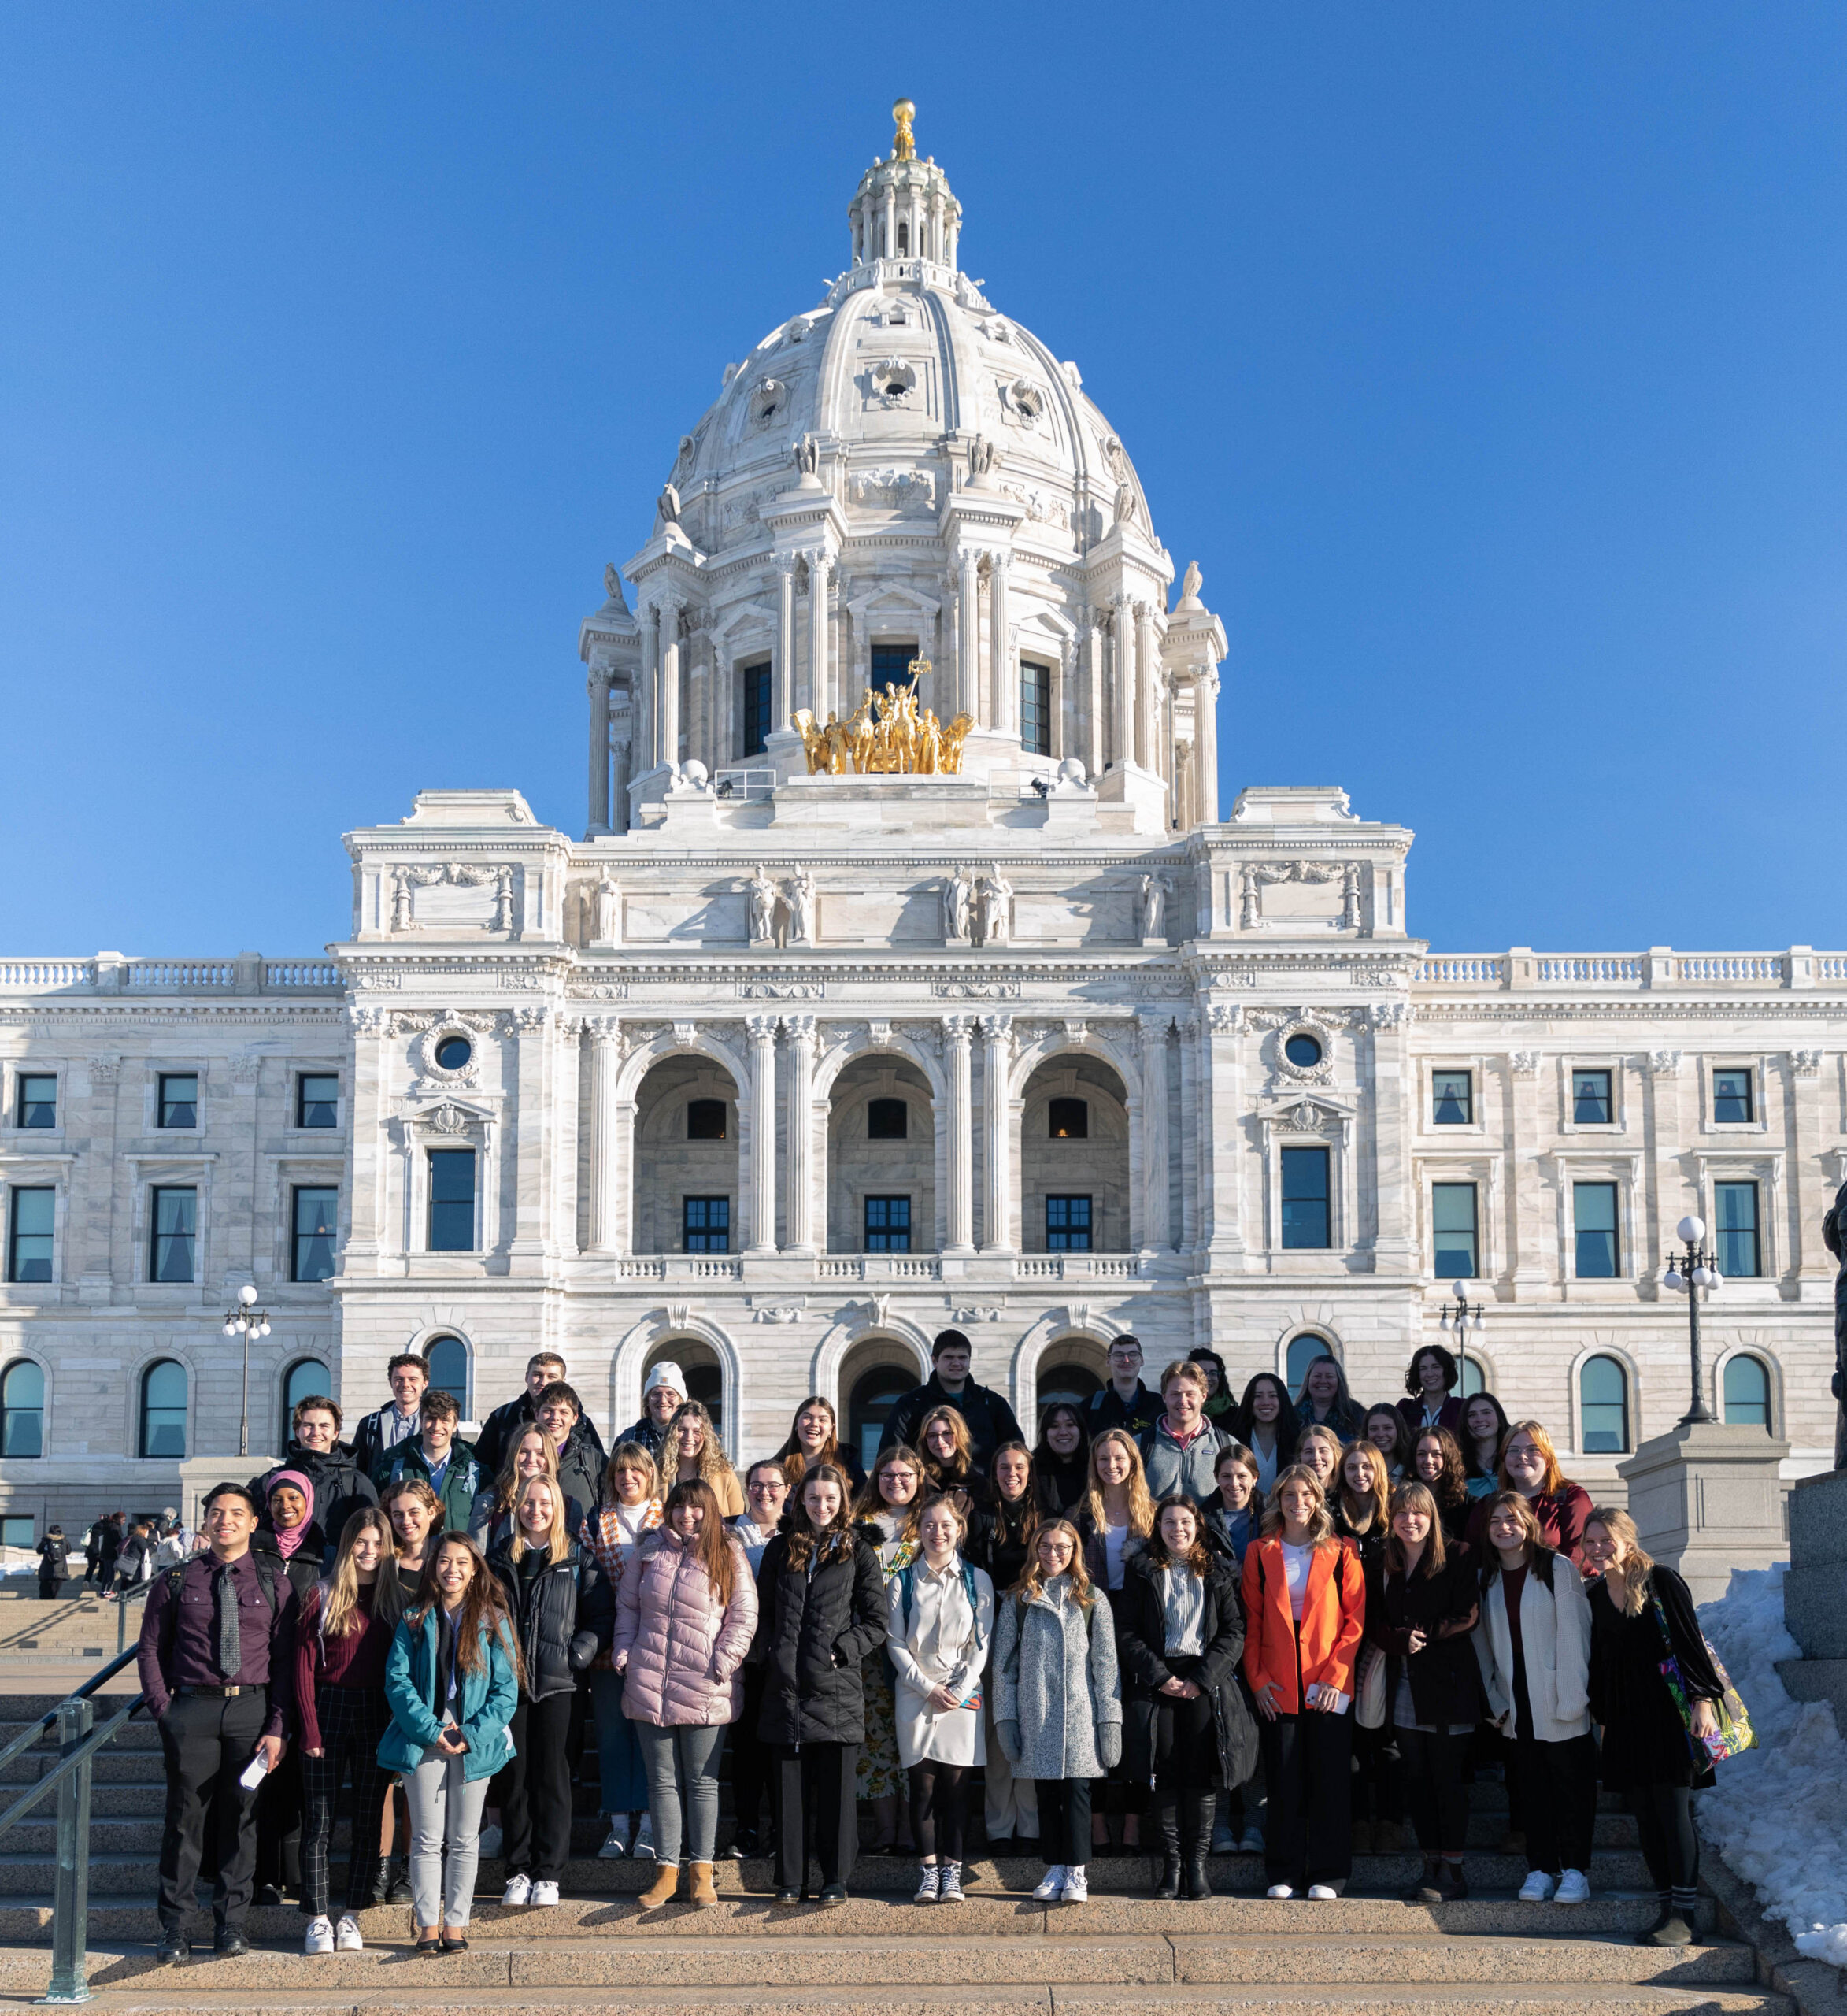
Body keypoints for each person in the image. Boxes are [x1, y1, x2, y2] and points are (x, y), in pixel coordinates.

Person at [138, 1481, 296, 1965]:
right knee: (185, 1823)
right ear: (205, 1522)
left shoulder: (274, 1582)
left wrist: (277, 1726)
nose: (224, 1520)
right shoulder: (176, 1581)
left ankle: (232, 1924)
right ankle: (177, 1928)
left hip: (250, 1710)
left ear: (253, 1523)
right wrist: (165, 1710)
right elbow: (150, 1650)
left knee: (242, 1821)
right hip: (192, 1711)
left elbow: (287, 1661)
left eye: (236, 1513)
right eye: (215, 1513)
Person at [1582, 1507, 1723, 1946]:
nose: (1597, 1548)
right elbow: (1599, 1665)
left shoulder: (1660, 1581)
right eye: (1589, 1541)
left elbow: (1688, 1642)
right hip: (1624, 1718)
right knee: (1644, 1814)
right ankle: (1667, 1907)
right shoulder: (1594, 1595)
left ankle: (1685, 1913)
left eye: (1605, 1539)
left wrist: (1702, 1702)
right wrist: (1603, 1721)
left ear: (1628, 1540)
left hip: (1670, 1713)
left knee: (1672, 1810)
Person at [615, 1477, 758, 1910]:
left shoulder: (727, 1551)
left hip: (704, 1684)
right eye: (679, 1506)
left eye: (696, 1507)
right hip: (650, 1680)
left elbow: (744, 1614)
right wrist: (625, 1648)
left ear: (710, 1511)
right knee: (662, 1783)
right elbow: (628, 1607)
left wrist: (722, 1661)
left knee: (701, 1782)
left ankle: (702, 1870)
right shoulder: (649, 1549)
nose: (687, 1514)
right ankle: (666, 1871)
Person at [751, 1462, 888, 1905]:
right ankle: (790, 1880)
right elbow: (765, 1612)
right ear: (800, 1500)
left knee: (835, 1795)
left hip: (834, 1688)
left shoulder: (859, 1551)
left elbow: (876, 1621)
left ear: (842, 1501)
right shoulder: (779, 1549)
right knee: (789, 1796)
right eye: (813, 1497)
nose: (821, 1505)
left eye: (830, 1498)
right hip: (786, 1688)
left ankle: (834, 1878)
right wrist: (771, 1651)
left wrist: (841, 1650)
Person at [379, 1530, 520, 1955]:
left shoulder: (494, 1618)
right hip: (425, 1733)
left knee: (464, 1837)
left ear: (475, 1569)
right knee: (425, 1836)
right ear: (432, 1567)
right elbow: (397, 1680)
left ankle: (456, 1923)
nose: (452, 1569)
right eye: (444, 1561)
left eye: (462, 1562)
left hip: (475, 1733)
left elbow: (506, 1690)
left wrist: (470, 1734)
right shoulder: (414, 1617)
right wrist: (429, 1729)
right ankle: (427, 1924)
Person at [1119, 1495, 1257, 1899]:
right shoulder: (1142, 1570)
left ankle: (1197, 1868)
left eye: (1184, 1522)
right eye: (1168, 1523)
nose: (1177, 1530)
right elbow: (1126, 1630)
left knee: (1198, 1772)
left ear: (1197, 1526)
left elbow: (1234, 1630)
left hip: (1203, 1681)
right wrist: (1160, 1675)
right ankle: (1171, 1868)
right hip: (1159, 1681)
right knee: (1164, 1770)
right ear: (1157, 1528)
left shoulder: (1215, 1571)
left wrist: (1202, 1678)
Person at [488, 1474, 612, 1910]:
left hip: (560, 1686)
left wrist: (575, 1657)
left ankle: (549, 1873)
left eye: (544, 1502)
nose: (535, 1509)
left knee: (553, 1778)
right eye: (528, 1502)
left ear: (557, 1508)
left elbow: (600, 1617)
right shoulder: (500, 1557)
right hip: (511, 1687)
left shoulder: (577, 1558)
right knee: (515, 1779)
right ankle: (518, 1870)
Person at [1242, 1465, 1364, 1901]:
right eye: (1290, 1495)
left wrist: (1336, 1676)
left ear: (1318, 1500)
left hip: (1328, 1680)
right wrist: (1257, 1680)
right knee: (1284, 1780)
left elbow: (1355, 1622)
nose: (1299, 1503)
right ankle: (1284, 1870)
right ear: (1278, 1500)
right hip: (1278, 1683)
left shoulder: (1341, 1550)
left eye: (1307, 1495)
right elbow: (1251, 1621)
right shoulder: (1259, 1551)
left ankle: (1329, 1873)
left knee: (1329, 1780)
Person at [1471, 1489, 1597, 1906]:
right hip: (1514, 1701)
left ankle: (1576, 1870)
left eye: (1512, 1519)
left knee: (1570, 1790)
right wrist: (1495, 1700)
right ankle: (1540, 1868)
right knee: (1530, 1790)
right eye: (1495, 1521)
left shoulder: (1556, 1568)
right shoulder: (1486, 1577)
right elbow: (1483, 1645)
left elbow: (1576, 1633)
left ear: (1529, 1524)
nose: (1504, 1528)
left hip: (1561, 1696)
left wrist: (1573, 1698)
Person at [992, 1518, 1121, 1906]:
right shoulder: (1019, 1600)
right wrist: (1007, 1717)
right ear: (1035, 1550)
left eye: (1062, 1547)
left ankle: (1077, 1870)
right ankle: (1054, 1866)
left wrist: (1109, 1719)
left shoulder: (1092, 1598)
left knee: (1078, 1791)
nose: (1053, 1554)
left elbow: (1106, 1664)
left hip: (1081, 1712)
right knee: (1046, 1793)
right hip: (1037, 1711)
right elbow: (1004, 1666)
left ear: (1074, 1551)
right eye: (1046, 1547)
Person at [296, 1507, 405, 1954]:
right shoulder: (321, 1596)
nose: (370, 1551)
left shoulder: (395, 1599)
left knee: (366, 1820)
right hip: (328, 1708)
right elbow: (302, 1665)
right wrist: (309, 1728)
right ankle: (318, 1917)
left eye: (378, 1544)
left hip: (376, 1712)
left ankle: (352, 1913)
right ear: (347, 1546)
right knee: (319, 1821)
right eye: (362, 1542)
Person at [1364, 1481, 1479, 1904]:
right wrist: (1398, 1640)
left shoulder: (1459, 1555)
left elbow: (1468, 1615)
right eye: (1400, 1513)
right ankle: (1429, 1866)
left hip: (1448, 1685)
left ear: (1431, 1517)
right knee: (1418, 1779)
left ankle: (1454, 1870)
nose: (1408, 1521)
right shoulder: (1384, 1561)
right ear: (1390, 1519)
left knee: (1447, 1780)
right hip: (1404, 1685)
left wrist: (1423, 1635)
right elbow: (1373, 1621)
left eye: (1418, 1513)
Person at [886, 1494, 994, 1904]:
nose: (938, 1532)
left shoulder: (975, 1579)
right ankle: (928, 1872)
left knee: (957, 1787)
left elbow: (980, 1643)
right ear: (919, 1529)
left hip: (961, 1694)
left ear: (959, 1529)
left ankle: (953, 1871)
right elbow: (895, 1643)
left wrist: (960, 1688)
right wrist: (926, 1687)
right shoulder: (903, 1581)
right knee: (923, 1786)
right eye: (929, 1524)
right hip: (916, 1692)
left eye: (946, 1524)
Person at [581, 1441, 664, 1861]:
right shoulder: (597, 1520)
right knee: (613, 1736)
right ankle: (617, 1825)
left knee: (648, 1735)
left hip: (657, 1644)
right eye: (620, 1472)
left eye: (636, 1471)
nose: (628, 1479)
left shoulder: (669, 1518)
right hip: (607, 1641)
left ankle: (650, 1824)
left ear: (650, 1475)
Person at [1075, 1427, 1154, 1853]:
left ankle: (1133, 1825)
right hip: (1094, 1629)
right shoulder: (1084, 1515)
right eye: (1103, 1459)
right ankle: (1099, 1825)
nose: (1112, 1465)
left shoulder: (1152, 1515)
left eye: (1119, 1458)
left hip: (1140, 1631)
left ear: (1133, 1462)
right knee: (1096, 1727)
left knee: (1137, 1732)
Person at [249, 1472, 327, 1907]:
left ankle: (296, 1876)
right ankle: (263, 1876)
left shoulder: (320, 1554)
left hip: (306, 1677)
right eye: (277, 1499)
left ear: (308, 1502)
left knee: (300, 1782)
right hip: (261, 1678)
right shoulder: (255, 1549)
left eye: (294, 1498)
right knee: (263, 1782)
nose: (286, 1507)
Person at [850, 1443, 925, 1853]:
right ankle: (884, 1829)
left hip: (918, 1648)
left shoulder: (931, 1523)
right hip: (870, 1649)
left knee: (915, 1736)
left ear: (918, 1479)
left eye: (905, 1475)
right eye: (887, 1475)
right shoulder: (859, 1524)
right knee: (876, 1737)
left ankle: (916, 1828)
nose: (896, 1482)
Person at [968, 1441, 1040, 1850]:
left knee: (1031, 1726)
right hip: (992, 1628)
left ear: (1029, 1473)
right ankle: (999, 1826)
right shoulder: (979, 1519)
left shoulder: (1043, 1518)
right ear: (993, 1473)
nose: (1011, 1474)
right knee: (998, 1729)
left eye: (1019, 1467)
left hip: (1035, 1627)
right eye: (1003, 1467)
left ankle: (1029, 1826)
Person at [1333, 1441, 1401, 1855]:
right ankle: (1358, 1823)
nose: (1360, 1474)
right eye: (1352, 1467)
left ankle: (1391, 1824)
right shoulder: (1332, 1518)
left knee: (1389, 1740)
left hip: (1385, 1642)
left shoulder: (1394, 1518)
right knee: (1352, 1741)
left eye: (1367, 1467)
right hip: (1342, 1641)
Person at [724, 1460, 789, 1857]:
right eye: (756, 1485)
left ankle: (784, 1831)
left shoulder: (798, 1531)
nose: (765, 1492)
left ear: (787, 1490)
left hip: (785, 1654)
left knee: (782, 1749)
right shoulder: (728, 1529)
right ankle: (746, 1828)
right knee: (746, 1748)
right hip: (742, 1655)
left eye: (773, 1485)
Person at [251, 1395, 378, 1566]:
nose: (315, 1432)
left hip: (336, 1574)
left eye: (324, 1426)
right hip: (282, 1574)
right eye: (308, 1425)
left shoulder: (356, 1482)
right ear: (297, 1431)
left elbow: (373, 1532)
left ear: (335, 1433)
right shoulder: (273, 1479)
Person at [879, 1329, 1023, 1473]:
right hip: (930, 1490)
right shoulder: (911, 1404)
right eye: (949, 1357)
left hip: (983, 1490)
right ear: (934, 1360)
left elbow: (1015, 1449)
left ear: (969, 1361)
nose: (956, 1363)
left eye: (962, 1357)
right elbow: (892, 1453)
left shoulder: (992, 1403)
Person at [1464, 1420, 1594, 1569]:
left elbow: (1582, 1555)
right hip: (1502, 1589)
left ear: (1548, 1457)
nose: (1523, 1456)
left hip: (1557, 1588)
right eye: (1513, 1450)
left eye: (1533, 1449)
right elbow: (1473, 1555)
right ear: (1504, 1458)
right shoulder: (1489, 1504)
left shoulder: (1571, 1498)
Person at [476, 1351, 606, 1480]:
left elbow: (597, 1466)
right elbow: (482, 1465)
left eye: (551, 1376)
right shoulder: (503, 1416)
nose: (543, 1382)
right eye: (537, 1375)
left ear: (563, 1381)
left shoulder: (581, 1422)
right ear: (527, 1377)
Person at [378, 1388, 480, 1533]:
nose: (437, 1427)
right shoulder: (392, 1468)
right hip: (405, 1553)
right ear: (421, 1421)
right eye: (430, 1419)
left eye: (445, 1420)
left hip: (454, 1554)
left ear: (455, 1424)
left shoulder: (475, 1471)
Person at [470, 1426, 583, 1551]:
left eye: (540, 1453)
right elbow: (478, 1560)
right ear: (513, 1454)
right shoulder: (489, 1504)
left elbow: (575, 1556)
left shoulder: (570, 1506)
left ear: (550, 1457)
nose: (531, 1459)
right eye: (524, 1451)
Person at [1138, 1359, 1233, 1500]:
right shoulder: (1140, 1445)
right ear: (1164, 1397)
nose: (1183, 1400)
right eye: (1175, 1394)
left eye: (1190, 1394)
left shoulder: (1227, 1445)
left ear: (1203, 1396)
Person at [350, 1353, 429, 1479]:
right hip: (378, 1497)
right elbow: (357, 1470)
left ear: (425, 1383)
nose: (406, 1384)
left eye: (413, 1379)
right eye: (399, 1379)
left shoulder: (438, 1425)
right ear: (390, 1382)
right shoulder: (370, 1424)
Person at [536, 1380, 605, 1520]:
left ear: (574, 1419)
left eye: (563, 1412)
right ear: (536, 1413)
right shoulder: (522, 1457)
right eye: (548, 1410)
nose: (555, 1418)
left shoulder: (594, 1459)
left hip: (580, 1540)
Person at [663, 1399, 744, 1517]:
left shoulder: (725, 1477)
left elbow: (739, 1523)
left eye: (697, 1432)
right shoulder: (657, 1475)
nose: (689, 1438)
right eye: (682, 1430)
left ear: (707, 1436)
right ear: (672, 1434)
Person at [775, 1395, 865, 1495]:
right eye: (807, 1418)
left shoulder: (850, 1466)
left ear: (831, 1429)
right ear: (796, 1424)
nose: (814, 1424)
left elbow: (868, 1503)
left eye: (822, 1420)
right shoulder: (777, 1468)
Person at [1082, 1334, 1161, 1439]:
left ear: (1142, 1360)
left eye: (1133, 1354)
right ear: (1108, 1361)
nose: (1126, 1360)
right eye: (1119, 1355)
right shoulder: (1089, 1408)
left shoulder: (1160, 1405)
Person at [1230, 1374, 1299, 1494]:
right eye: (1258, 1396)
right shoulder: (1233, 1440)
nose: (1266, 1402)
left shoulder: (1297, 1440)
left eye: (1273, 1396)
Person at [916, 1403, 986, 1513]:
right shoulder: (917, 1481)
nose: (940, 1441)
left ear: (960, 1435)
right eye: (932, 1435)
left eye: (947, 1433)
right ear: (925, 1441)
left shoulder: (979, 1484)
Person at [1410, 1428, 1475, 1547]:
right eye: (1421, 1454)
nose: (1428, 1460)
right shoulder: (1402, 1500)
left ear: (1448, 1458)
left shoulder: (1468, 1504)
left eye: (1436, 1454)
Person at [1201, 1442, 1263, 1566]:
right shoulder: (1202, 1518)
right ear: (1216, 1477)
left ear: (1255, 1478)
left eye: (1242, 1476)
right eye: (1226, 1476)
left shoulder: (1271, 1514)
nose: (1234, 1483)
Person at [613, 1362, 686, 1465]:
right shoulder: (627, 1438)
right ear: (647, 1400)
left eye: (671, 1394)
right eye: (656, 1394)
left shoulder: (691, 1439)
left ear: (681, 1401)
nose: (663, 1400)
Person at [1031, 1403, 1090, 1516]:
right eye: (1054, 1426)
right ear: (1046, 1435)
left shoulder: (1096, 1469)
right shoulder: (1031, 1472)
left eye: (1070, 1424)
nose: (1063, 1432)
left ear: (1081, 1432)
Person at [1294, 1354, 1366, 1443]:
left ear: (1339, 1381)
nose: (1323, 1381)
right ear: (1308, 1380)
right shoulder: (1293, 1417)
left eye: (1329, 1376)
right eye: (1317, 1376)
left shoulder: (1357, 1415)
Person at [1397, 1345, 1465, 1436]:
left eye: (1436, 1367)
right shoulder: (1405, 1409)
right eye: (1423, 1369)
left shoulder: (1461, 1407)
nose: (1430, 1374)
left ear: (1446, 1371)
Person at [1460, 1392, 1512, 1495]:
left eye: (1486, 1412)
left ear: (1500, 1420)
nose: (1479, 1419)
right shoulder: (1458, 1464)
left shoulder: (1513, 1459)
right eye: (1472, 1415)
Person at [1364, 1403, 1413, 1482]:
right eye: (1374, 1429)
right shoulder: (1360, 1472)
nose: (1380, 1434)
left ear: (1399, 1430)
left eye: (1387, 1428)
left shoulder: (1412, 1472)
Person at [1295, 1423, 1343, 1499]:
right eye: (1309, 1452)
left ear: (1335, 1454)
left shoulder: (1348, 1494)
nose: (1316, 1457)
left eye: (1323, 1451)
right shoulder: (1291, 1493)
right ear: (1300, 1456)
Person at [111, 1518, 156, 1599]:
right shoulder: (140, 1540)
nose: (148, 1534)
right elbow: (146, 1552)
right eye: (147, 1532)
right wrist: (154, 1545)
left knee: (127, 1583)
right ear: (143, 1532)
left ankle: (125, 1599)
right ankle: (130, 1599)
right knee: (135, 1584)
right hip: (135, 1565)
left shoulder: (134, 1538)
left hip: (130, 1563)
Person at [1193, 1347, 1236, 1423]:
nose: (1208, 1378)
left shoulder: (1235, 1416)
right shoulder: (1174, 1411)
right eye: (1201, 1373)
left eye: (1213, 1373)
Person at [35, 1525, 68, 1600]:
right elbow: (68, 1551)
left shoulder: (46, 1541)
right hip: (60, 1571)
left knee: (44, 1594)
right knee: (54, 1594)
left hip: (47, 1570)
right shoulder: (64, 1541)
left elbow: (39, 1551)